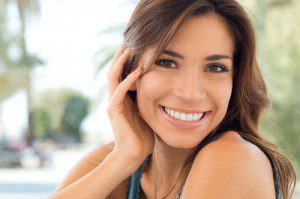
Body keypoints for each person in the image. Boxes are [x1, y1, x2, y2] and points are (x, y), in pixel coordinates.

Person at [49, 0, 296, 198]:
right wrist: (125, 156)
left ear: (235, 81)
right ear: (129, 72)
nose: (190, 93)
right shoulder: (119, 163)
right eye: (167, 63)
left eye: (215, 68)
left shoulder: (232, 158)